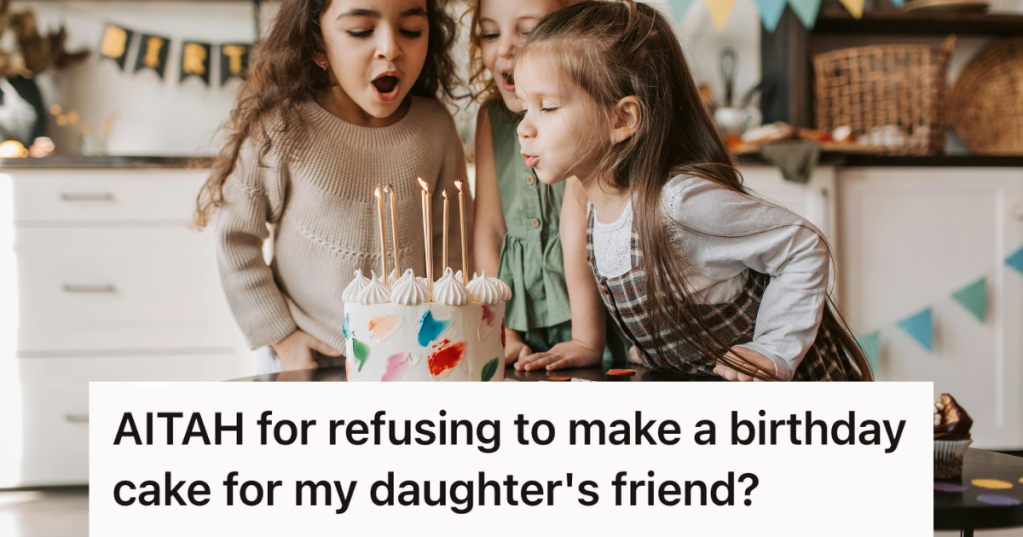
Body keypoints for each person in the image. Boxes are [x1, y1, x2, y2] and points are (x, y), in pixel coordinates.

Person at [512, 0, 872, 381]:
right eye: (523, 108)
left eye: (547, 107)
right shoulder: (596, 211)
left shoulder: (676, 205)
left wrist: (771, 350)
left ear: (622, 119)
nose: (524, 127)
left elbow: (803, 245)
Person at [196, 0, 470, 372]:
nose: (391, 48)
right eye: (360, 30)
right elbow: (235, 239)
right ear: (317, 47)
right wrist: (283, 337)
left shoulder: (435, 129)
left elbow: (451, 252)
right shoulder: (282, 128)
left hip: (408, 358)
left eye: (410, 30)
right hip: (304, 356)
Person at [468, 0, 629, 371]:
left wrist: (586, 337)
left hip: (592, 324)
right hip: (519, 321)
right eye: (490, 33)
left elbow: (577, 234)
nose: (504, 46)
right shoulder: (489, 119)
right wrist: (501, 326)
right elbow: (489, 230)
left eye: (528, 31)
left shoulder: (580, 120)